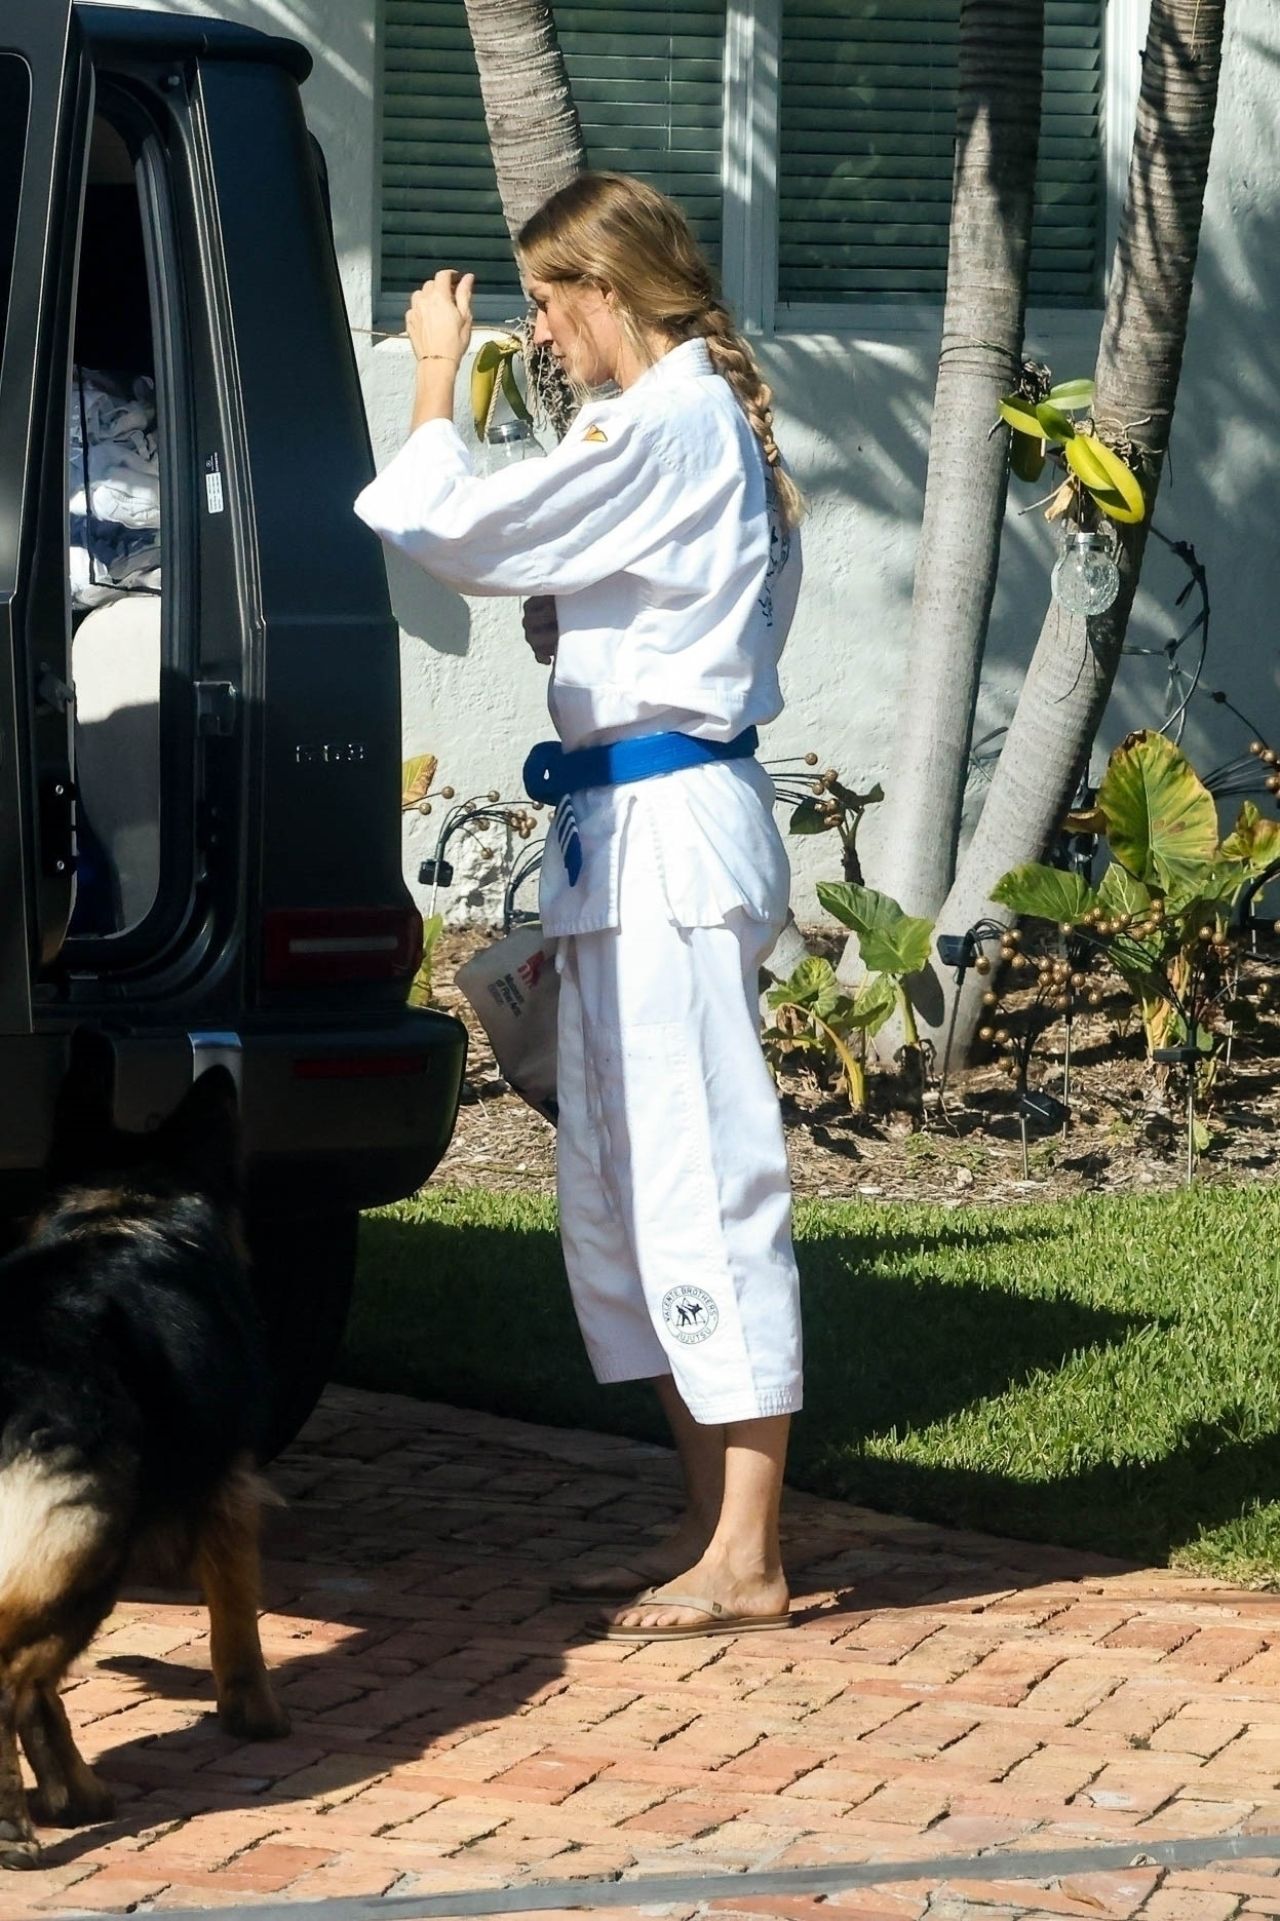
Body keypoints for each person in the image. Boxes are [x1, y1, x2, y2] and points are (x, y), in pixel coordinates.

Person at [355, 172, 805, 1642]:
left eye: (547, 300)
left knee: (699, 1171)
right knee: (629, 1177)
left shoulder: (666, 417)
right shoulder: (687, 425)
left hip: (671, 840)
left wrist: (434, 372)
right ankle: (704, 1521)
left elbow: (462, 534)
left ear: (607, 288)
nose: (538, 330)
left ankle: (747, 1548)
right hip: (632, 835)